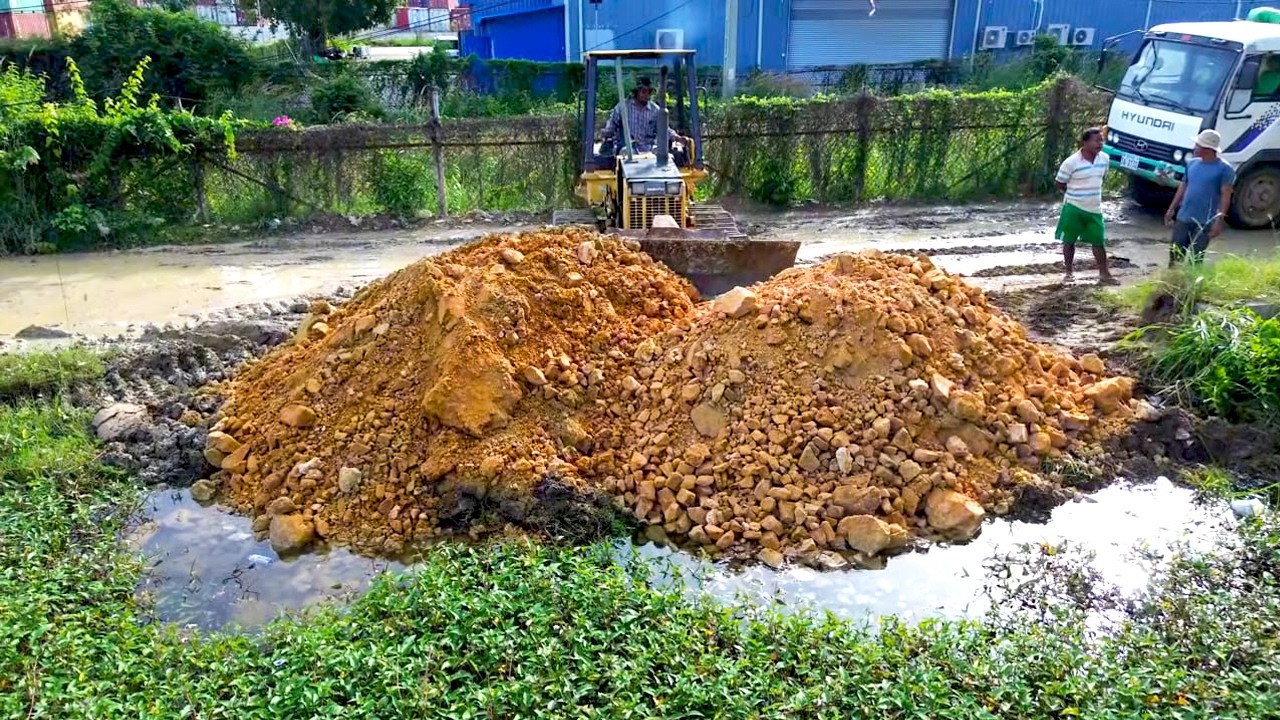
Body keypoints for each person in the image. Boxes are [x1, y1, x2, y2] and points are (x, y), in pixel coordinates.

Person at [1054, 127, 1119, 285]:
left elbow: (1102, 178)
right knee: (1069, 241)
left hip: (1094, 208)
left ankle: (1104, 274)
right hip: (1074, 206)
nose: (1100, 144)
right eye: (1096, 140)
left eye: (1101, 140)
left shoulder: (1104, 159)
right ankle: (1069, 273)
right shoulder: (1071, 162)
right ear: (1085, 142)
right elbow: (1059, 183)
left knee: (1098, 241)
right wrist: (1076, 193)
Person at [1164, 129, 1235, 266]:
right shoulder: (1192, 164)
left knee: (1196, 258)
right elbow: (1183, 187)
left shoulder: (1225, 169)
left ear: (1207, 148)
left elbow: (1226, 196)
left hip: (1205, 221)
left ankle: (1193, 284)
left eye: (1198, 145)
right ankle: (1173, 283)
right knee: (1175, 253)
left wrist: (1219, 221)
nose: (1194, 148)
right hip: (1184, 216)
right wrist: (1171, 209)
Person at [600, 77, 692, 159]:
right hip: (628, 146)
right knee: (627, 155)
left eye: (649, 92)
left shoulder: (655, 109)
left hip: (649, 146)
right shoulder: (623, 107)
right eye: (644, 92)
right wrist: (607, 132)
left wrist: (677, 137)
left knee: (663, 155)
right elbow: (612, 125)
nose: (647, 95)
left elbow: (664, 129)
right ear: (636, 92)